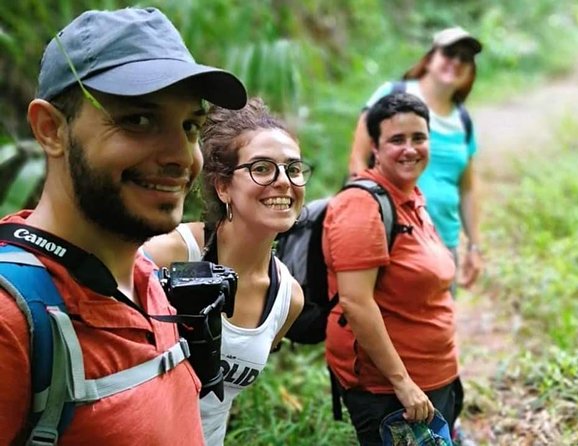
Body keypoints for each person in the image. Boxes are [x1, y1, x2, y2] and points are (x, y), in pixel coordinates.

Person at [0, 7, 246, 444]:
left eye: (190, 126)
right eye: (138, 120)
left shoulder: (146, 278)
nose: (181, 156)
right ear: (51, 129)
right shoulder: (13, 322)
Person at [142, 98, 306, 445]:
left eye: (293, 169)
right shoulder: (167, 252)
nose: (283, 182)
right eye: (262, 168)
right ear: (223, 187)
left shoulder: (287, 298)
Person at [323, 92, 463, 445]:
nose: (410, 149)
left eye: (419, 138)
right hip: (393, 392)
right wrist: (404, 384)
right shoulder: (361, 205)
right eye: (397, 140)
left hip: (433, 376)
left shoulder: (411, 197)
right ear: (375, 146)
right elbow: (355, 302)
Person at [348, 26, 485, 294]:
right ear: (431, 57)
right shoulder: (393, 93)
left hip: (442, 244)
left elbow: (467, 188)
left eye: (465, 58)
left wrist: (475, 246)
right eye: (450, 53)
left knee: (436, 328)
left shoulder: (463, 120)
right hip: (389, 240)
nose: (456, 62)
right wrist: (364, 221)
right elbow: (358, 158)